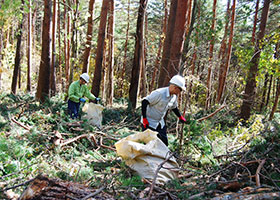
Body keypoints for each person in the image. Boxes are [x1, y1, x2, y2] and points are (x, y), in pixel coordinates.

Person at [141, 75, 186, 146]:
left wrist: (180, 117)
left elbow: (174, 107)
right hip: (149, 122)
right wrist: (144, 118)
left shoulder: (173, 97)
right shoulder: (159, 93)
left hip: (160, 123)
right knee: (149, 145)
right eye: (180, 90)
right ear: (175, 88)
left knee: (164, 143)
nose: (179, 92)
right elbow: (145, 102)